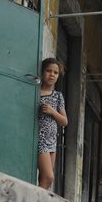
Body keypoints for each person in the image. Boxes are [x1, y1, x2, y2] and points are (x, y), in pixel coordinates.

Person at [36, 58, 67, 191]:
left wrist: (52, 111)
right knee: (49, 177)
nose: (52, 74)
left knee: (44, 179)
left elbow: (64, 121)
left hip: (52, 141)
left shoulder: (58, 96)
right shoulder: (34, 92)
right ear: (42, 72)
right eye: (48, 71)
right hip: (39, 139)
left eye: (56, 72)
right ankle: (32, 201)